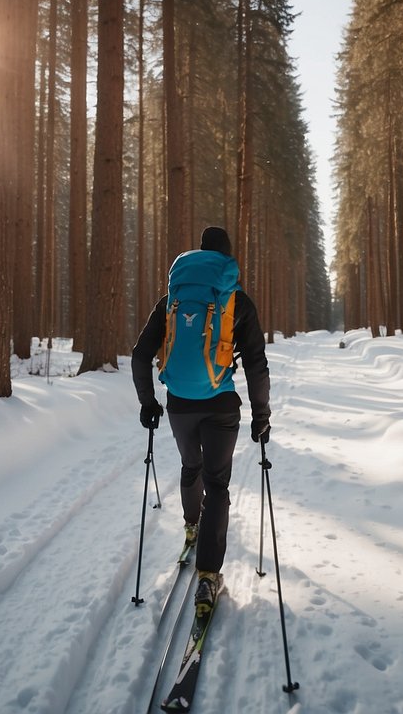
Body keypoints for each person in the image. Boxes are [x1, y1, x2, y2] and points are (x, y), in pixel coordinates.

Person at [131, 226, 270, 615]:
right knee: (218, 484)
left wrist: (148, 402)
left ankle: (192, 526)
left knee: (190, 467)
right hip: (222, 405)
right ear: (226, 259)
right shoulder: (236, 300)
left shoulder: (172, 300)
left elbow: (141, 355)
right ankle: (209, 575)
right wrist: (262, 415)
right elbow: (256, 362)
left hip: (179, 404)